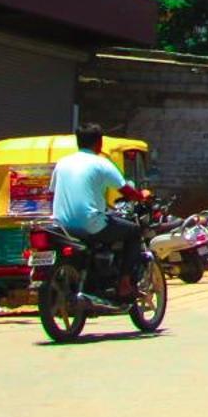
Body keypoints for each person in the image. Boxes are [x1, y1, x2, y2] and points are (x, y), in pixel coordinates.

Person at [51, 123, 142, 296]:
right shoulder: (101, 163)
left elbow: (53, 192)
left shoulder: (62, 163)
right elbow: (126, 191)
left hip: (61, 225)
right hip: (90, 224)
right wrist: (142, 196)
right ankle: (124, 284)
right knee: (134, 231)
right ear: (99, 143)